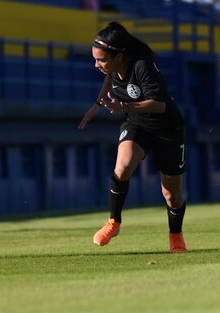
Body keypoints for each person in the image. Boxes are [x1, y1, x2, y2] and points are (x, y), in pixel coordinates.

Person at [79, 22, 188, 253]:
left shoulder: (142, 66)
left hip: (167, 127)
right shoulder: (112, 67)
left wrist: (124, 105)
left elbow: (159, 105)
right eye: (95, 59)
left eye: (102, 60)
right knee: (123, 166)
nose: (96, 65)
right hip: (137, 122)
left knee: (171, 194)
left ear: (119, 56)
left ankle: (176, 235)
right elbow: (109, 77)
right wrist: (96, 105)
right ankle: (113, 223)